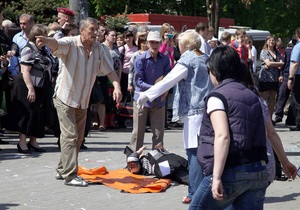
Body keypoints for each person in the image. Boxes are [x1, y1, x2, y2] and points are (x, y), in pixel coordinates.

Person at [189, 46, 297, 210]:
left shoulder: (217, 97)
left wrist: (216, 177)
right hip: (258, 171)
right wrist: (285, 162)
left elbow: (222, 136)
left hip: (231, 169)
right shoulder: (253, 95)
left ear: (214, 71)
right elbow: (271, 132)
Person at [36, 17, 122, 187]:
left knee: (78, 138)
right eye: (92, 29)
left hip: (83, 100)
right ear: (82, 31)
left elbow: (109, 70)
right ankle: (70, 175)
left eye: (97, 29)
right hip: (65, 98)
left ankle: (61, 169)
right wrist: (46, 41)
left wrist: (117, 87)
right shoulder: (71, 43)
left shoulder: (99, 48)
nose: (96, 32)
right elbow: (57, 44)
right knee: (70, 136)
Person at [136, 31, 213, 204]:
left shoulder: (187, 60)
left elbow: (167, 81)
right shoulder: (206, 57)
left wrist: (146, 95)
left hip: (194, 113)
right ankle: (205, 191)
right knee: (205, 152)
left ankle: (194, 194)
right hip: (209, 110)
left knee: (193, 153)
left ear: (184, 45)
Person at [8, 24, 53, 154]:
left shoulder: (44, 49)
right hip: (28, 85)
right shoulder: (29, 49)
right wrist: (30, 88)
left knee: (38, 114)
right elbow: (25, 70)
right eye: (42, 36)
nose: (44, 39)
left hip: (42, 86)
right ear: (35, 36)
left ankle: (33, 141)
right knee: (28, 113)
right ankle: (22, 142)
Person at [130, 31, 171, 151]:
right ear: (147, 43)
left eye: (157, 42)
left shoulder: (165, 59)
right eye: (152, 42)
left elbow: (168, 78)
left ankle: (158, 159)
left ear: (160, 43)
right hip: (142, 99)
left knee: (159, 133)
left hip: (159, 99)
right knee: (138, 132)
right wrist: (156, 89)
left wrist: (165, 90)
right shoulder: (140, 59)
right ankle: (134, 159)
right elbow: (138, 82)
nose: (154, 45)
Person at [259, 35, 284, 118]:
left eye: (273, 40)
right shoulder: (264, 52)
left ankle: (269, 117)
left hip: (274, 77)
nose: (271, 42)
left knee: (272, 97)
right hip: (265, 77)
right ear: (266, 41)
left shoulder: (277, 52)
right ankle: (261, 117)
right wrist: (277, 64)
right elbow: (268, 63)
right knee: (264, 97)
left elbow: (282, 63)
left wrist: (272, 64)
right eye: (269, 40)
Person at [273, 38, 296, 125]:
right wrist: (282, 74)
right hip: (287, 74)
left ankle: (291, 119)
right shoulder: (288, 51)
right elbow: (286, 63)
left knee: (294, 99)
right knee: (282, 95)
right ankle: (278, 116)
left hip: (295, 75)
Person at [287, 27, 300, 131]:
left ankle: (298, 122)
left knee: (297, 99)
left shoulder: (297, 47)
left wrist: (290, 77)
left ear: (297, 36)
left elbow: (295, 63)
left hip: (298, 76)